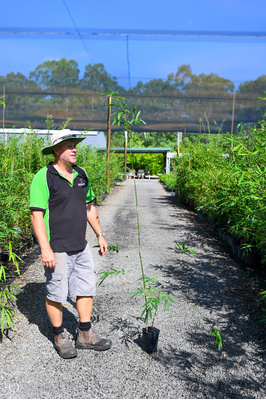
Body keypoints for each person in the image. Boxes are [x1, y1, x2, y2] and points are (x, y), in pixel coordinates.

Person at [30, 130, 112, 359]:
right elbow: (37, 215)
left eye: (75, 145)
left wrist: (100, 234)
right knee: (57, 292)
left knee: (86, 288)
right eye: (69, 146)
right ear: (57, 150)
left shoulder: (82, 174)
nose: (74, 149)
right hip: (57, 247)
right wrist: (45, 248)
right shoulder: (43, 177)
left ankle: (85, 335)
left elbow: (90, 207)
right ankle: (59, 336)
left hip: (81, 245)